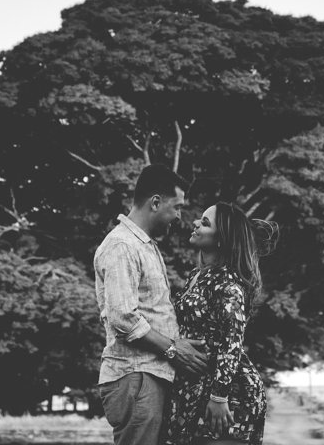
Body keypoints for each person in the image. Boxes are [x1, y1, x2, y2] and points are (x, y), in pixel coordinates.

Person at [95, 164, 210, 445]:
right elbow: (122, 317)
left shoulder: (142, 245)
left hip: (148, 375)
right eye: (177, 207)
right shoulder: (122, 246)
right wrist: (173, 350)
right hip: (136, 376)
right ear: (156, 202)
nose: (180, 217)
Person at [166, 202, 276, 445]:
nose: (195, 223)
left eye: (205, 223)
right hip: (195, 388)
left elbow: (232, 344)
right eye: (200, 219)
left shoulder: (228, 284)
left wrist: (218, 397)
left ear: (221, 240)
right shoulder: (197, 276)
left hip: (228, 394)